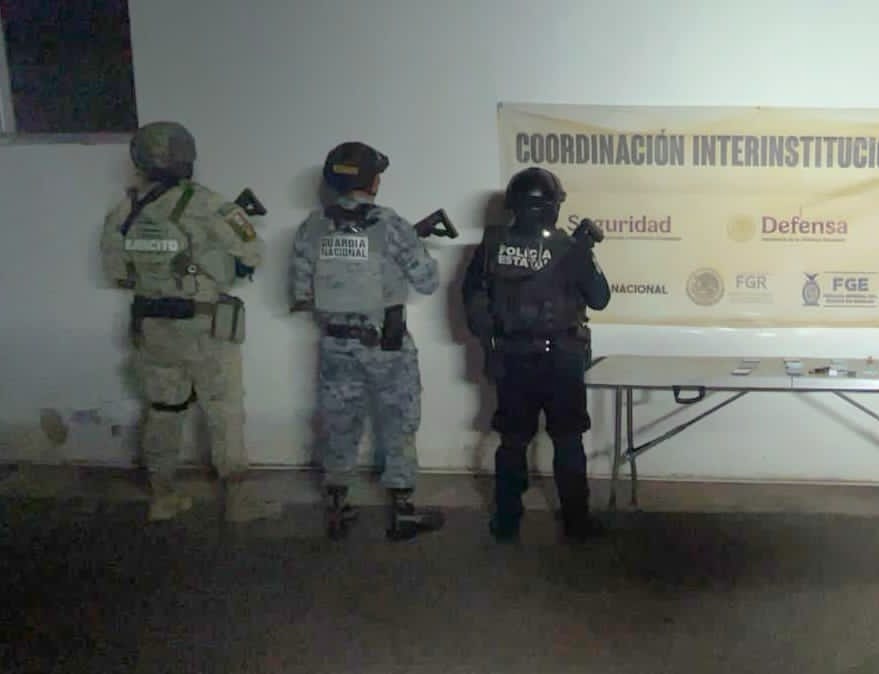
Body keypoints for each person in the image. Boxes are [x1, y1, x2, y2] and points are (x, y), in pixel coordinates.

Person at [100, 121, 264, 522]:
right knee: (224, 410)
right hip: (205, 328)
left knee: (163, 409)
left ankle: (163, 497)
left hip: (152, 328)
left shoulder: (125, 210)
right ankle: (239, 503)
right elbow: (253, 254)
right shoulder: (208, 204)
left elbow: (118, 273)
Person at [290, 142, 444, 541]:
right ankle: (402, 509)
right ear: (372, 182)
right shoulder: (391, 225)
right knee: (399, 423)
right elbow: (427, 282)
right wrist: (412, 249)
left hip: (335, 344)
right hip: (386, 346)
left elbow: (301, 292)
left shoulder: (312, 226)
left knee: (338, 423)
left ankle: (337, 507)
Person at [462, 166, 611, 543]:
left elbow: (473, 299)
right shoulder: (568, 247)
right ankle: (576, 523)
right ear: (553, 207)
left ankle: (506, 521)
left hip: (512, 358)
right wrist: (584, 253)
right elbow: (600, 299)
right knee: (568, 440)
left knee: (512, 441)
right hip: (561, 358)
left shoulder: (493, 244)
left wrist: (490, 342)